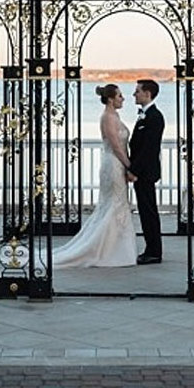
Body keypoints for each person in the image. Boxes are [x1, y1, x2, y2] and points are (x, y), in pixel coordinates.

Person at [53, 84, 137, 268]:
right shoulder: (107, 117)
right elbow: (116, 146)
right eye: (120, 96)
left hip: (118, 164)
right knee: (113, 205)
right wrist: (130, 167)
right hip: (113, 164)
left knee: (118, 204)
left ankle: (116, 246)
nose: (123, 99)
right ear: (110, 99)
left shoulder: (115, 115)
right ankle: (105, 249)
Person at [129, 79, 165, 265]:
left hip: (145, 173)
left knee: (148, 212)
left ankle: (154, 251)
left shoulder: (154, 117)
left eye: (137, 91)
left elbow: (148, 149)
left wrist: (133, 170)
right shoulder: (145, 115)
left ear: (147, 94)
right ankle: (152, 248)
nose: (134, 94)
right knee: (145, 211)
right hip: (142, 172)